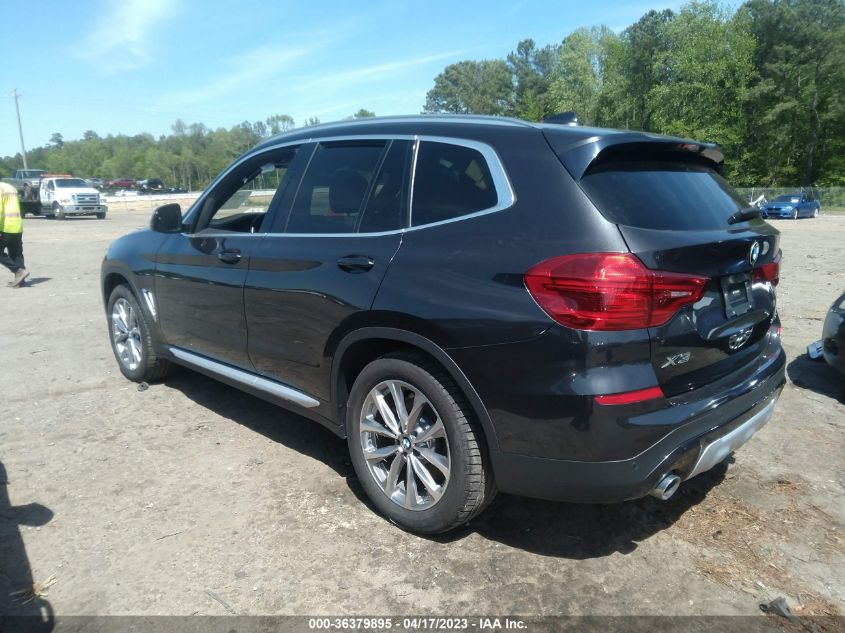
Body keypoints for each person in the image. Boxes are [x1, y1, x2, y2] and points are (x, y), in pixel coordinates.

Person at [0, 181, 29, 287]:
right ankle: (21, 280)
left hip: (5, 226)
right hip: (16, 224)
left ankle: (18, 271)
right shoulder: (9, 187)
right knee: (16, 253)